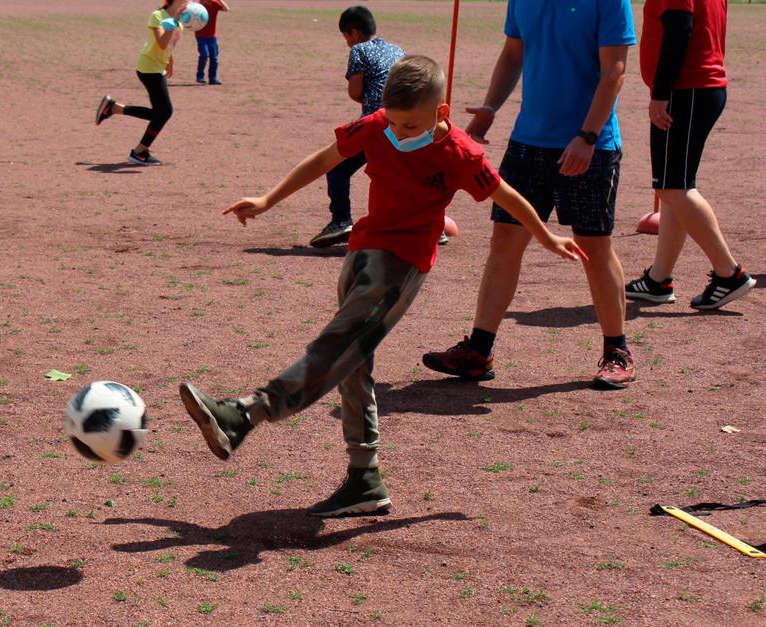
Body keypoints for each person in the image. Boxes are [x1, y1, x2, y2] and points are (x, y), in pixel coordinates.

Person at [179, 56, 585, 517]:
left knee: (336, 346)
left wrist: (547, 235)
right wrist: (270, 198)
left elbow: (505, 194)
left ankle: (246, 413)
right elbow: (326, 158)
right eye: (394, 122)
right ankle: (365, 480)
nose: (400, 132)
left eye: (411, 124)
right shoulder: (377, 126)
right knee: (353, 365)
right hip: (363, 253)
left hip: (401, 264)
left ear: (443, 112)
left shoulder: (460, 153)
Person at [422, 0, 639, 390]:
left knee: (593, 246)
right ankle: (479, 350)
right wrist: (490, 107)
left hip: (591, 145)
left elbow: (615, 72)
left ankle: (617, 351)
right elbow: (512, 53)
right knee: (504, 240)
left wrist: (587, 137)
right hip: (528, 142)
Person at [624, 0, 755, 309]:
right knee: (674, 186)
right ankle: (658, 280)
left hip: (686, 91)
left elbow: (679, 30)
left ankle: (729, 273)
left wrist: (660, 93)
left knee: (673, 187)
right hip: (698, 89)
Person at [311, 6, 406, 248]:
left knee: (337, 168)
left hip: (376, 125)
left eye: (345, 36)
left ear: (353, 33)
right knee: (408, 174)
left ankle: (341, 220)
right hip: (406, 124)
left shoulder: (359, 50)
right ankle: (432, 226)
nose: (346, 42)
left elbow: (355, 92)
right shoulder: (397, 49)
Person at [94, 0, 189, 166]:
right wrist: (174, 21)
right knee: (164, 112)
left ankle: (114, 108)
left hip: (157, 67)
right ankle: (139, 151)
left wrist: (170, 60)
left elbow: (169, 46)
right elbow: (161, 43)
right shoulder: (158, 16)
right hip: (148, 68)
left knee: (162, 112)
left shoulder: (177, 20)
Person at [194, 0, 229, 85]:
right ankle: (200, 76)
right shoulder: (198, 5)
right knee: (204, 54)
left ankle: (213, 79)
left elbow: (226, 9)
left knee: (214, 57)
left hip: (212, 35)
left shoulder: (214, 3)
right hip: (200, 34)